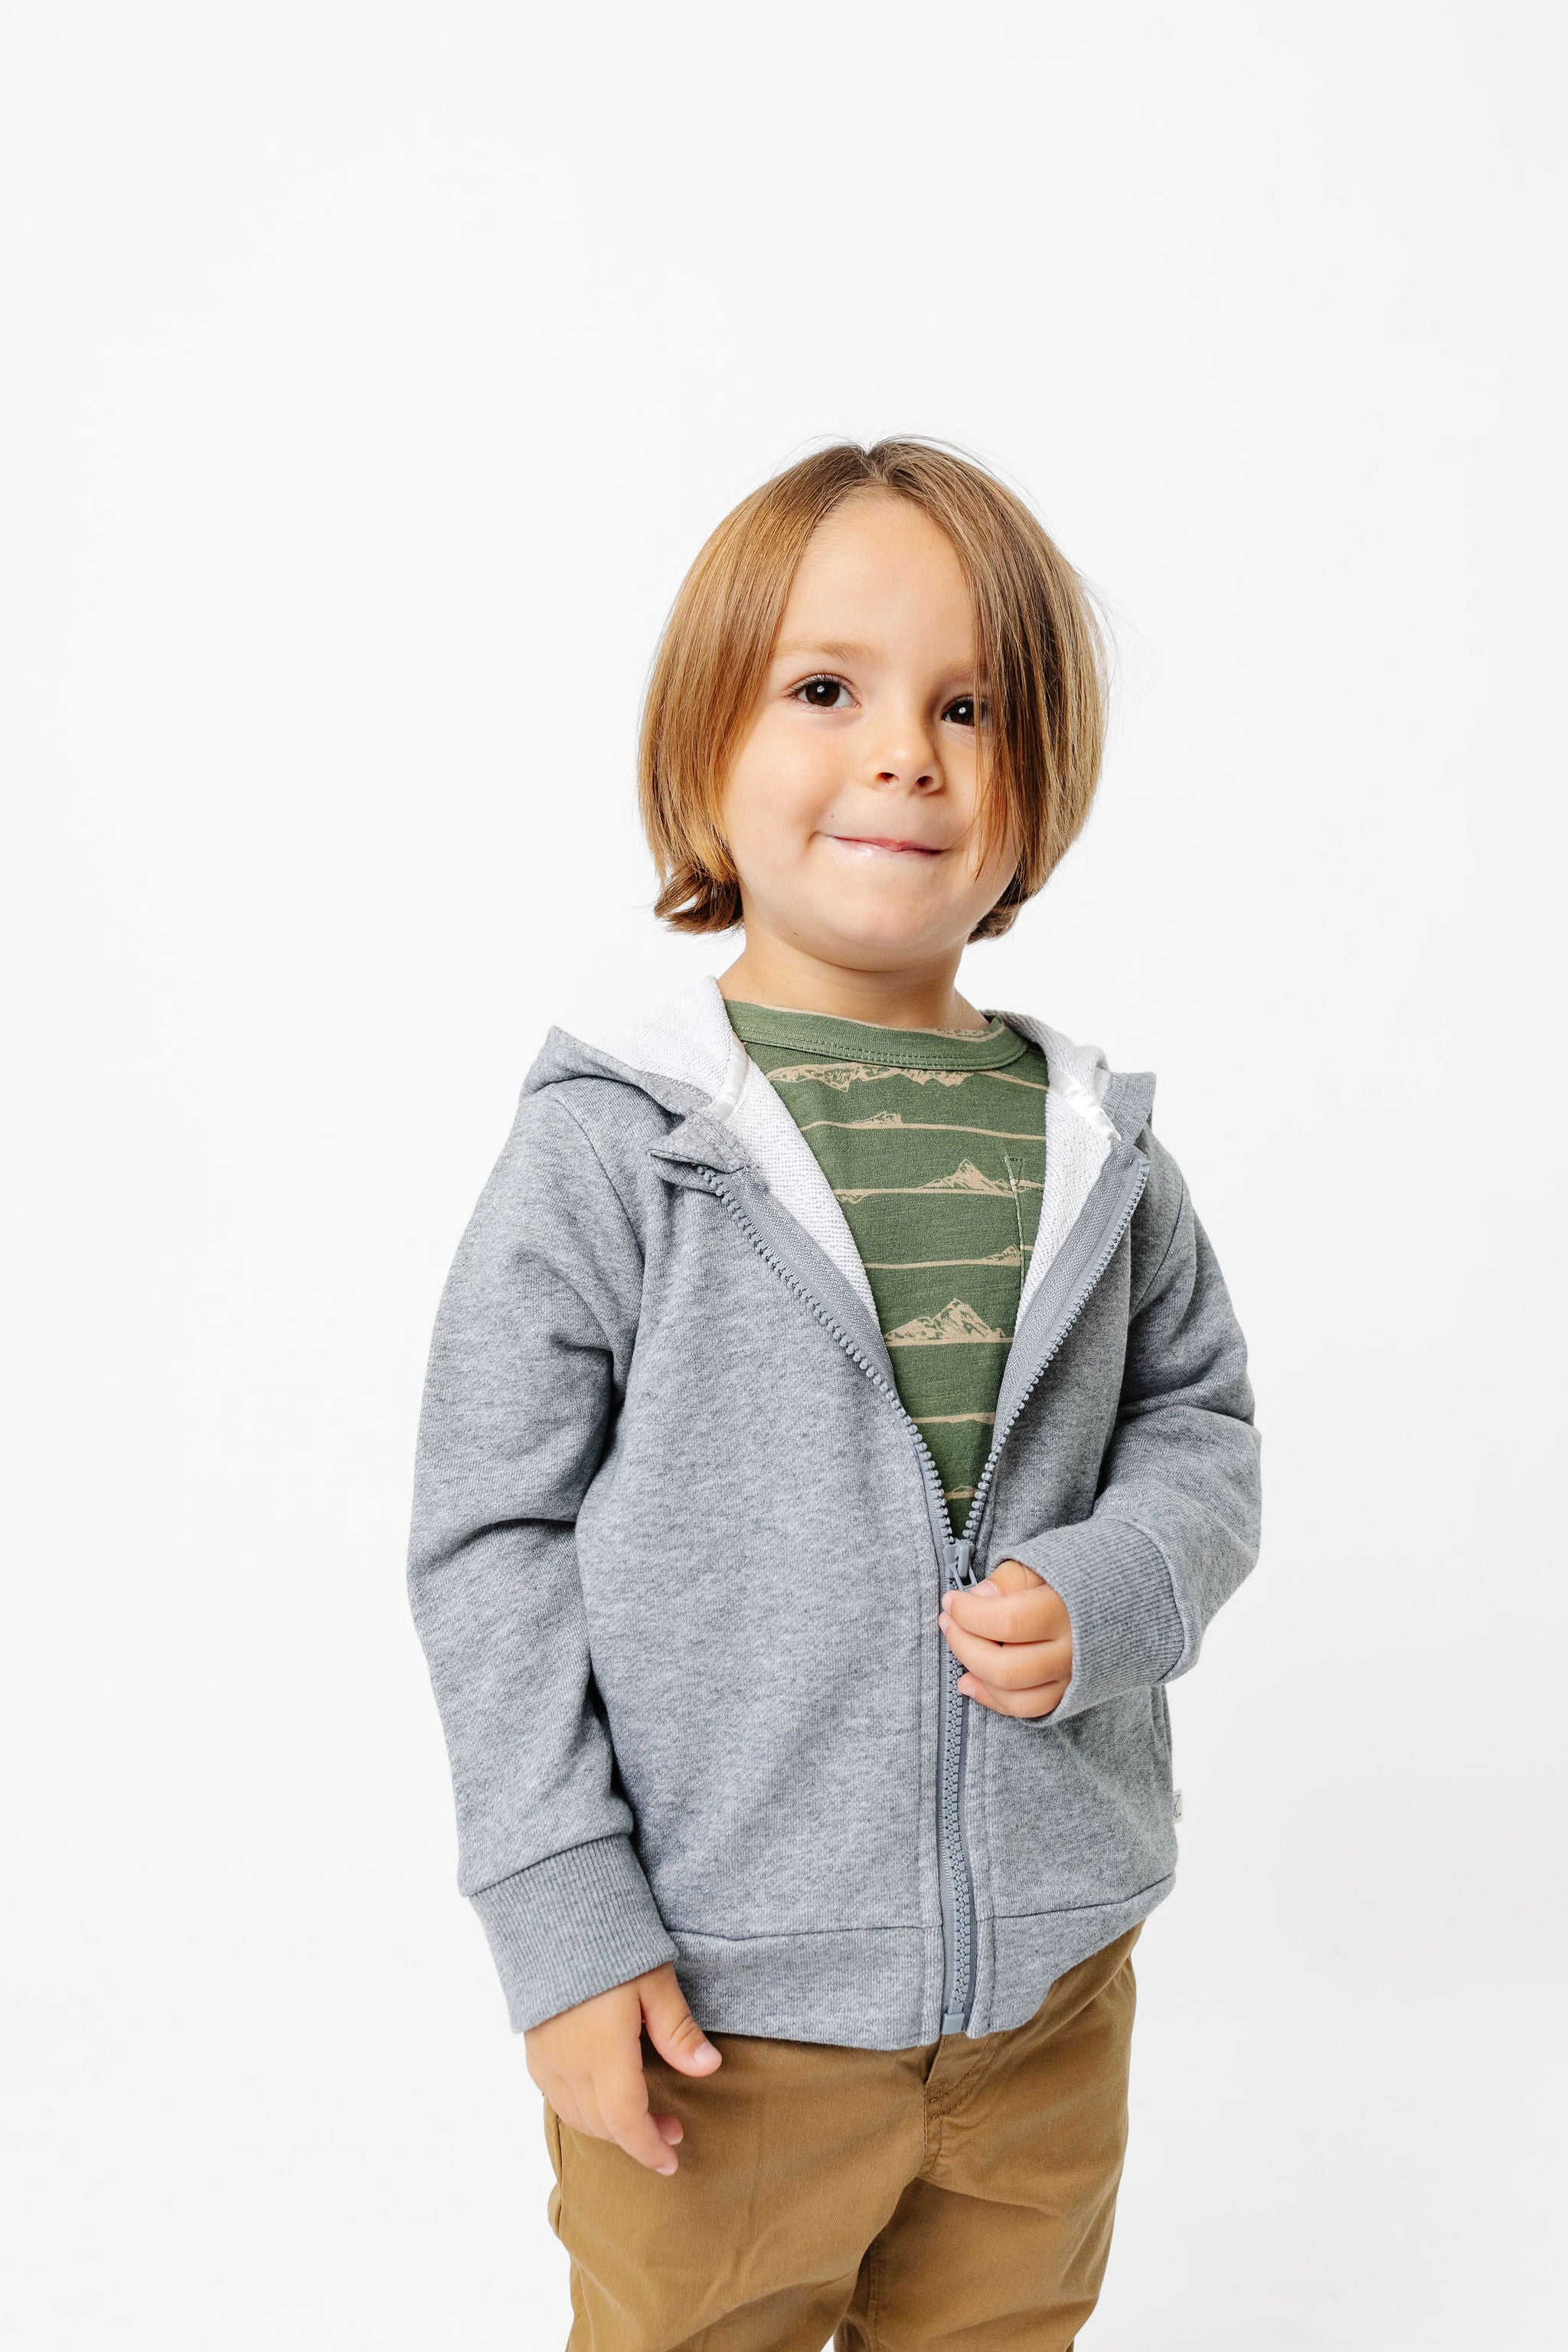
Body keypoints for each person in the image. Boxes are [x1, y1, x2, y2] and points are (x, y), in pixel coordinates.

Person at [407, 439, 1263, 2350]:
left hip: (1048, 1991)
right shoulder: (618, 1149)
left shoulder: (1097, 1151)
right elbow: (489, 1539)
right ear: (702, 743)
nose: (906, 755)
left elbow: (1199, 1429)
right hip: (712, 2010)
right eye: (824, 689)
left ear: (1042, 777)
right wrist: (562, 1913)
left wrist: (1119, 1587)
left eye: (970, 706)